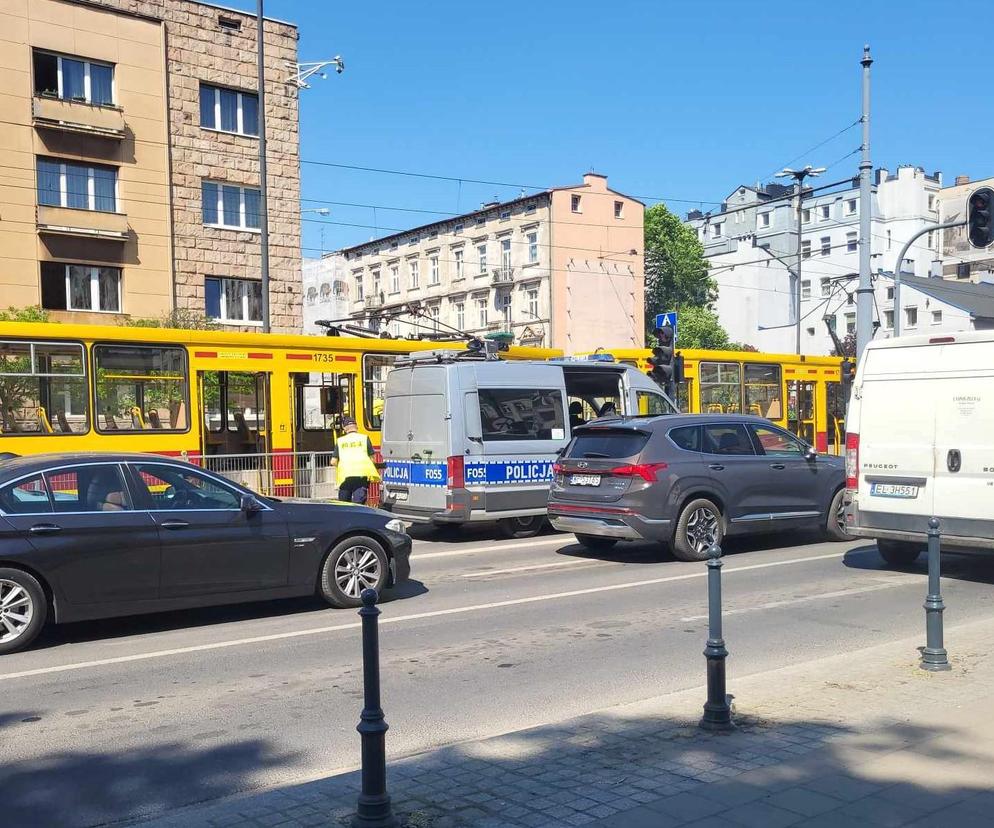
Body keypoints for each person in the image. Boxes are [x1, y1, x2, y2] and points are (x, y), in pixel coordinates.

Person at [331, 417, 380, 504]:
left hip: (345, 477)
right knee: (359, 504)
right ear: (356, 426)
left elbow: (333, 462)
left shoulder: (340, 441)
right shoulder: (364, 438)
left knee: (344, 504)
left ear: (344, 428)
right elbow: (373, 459)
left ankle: (346, 517)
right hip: (361, 477)